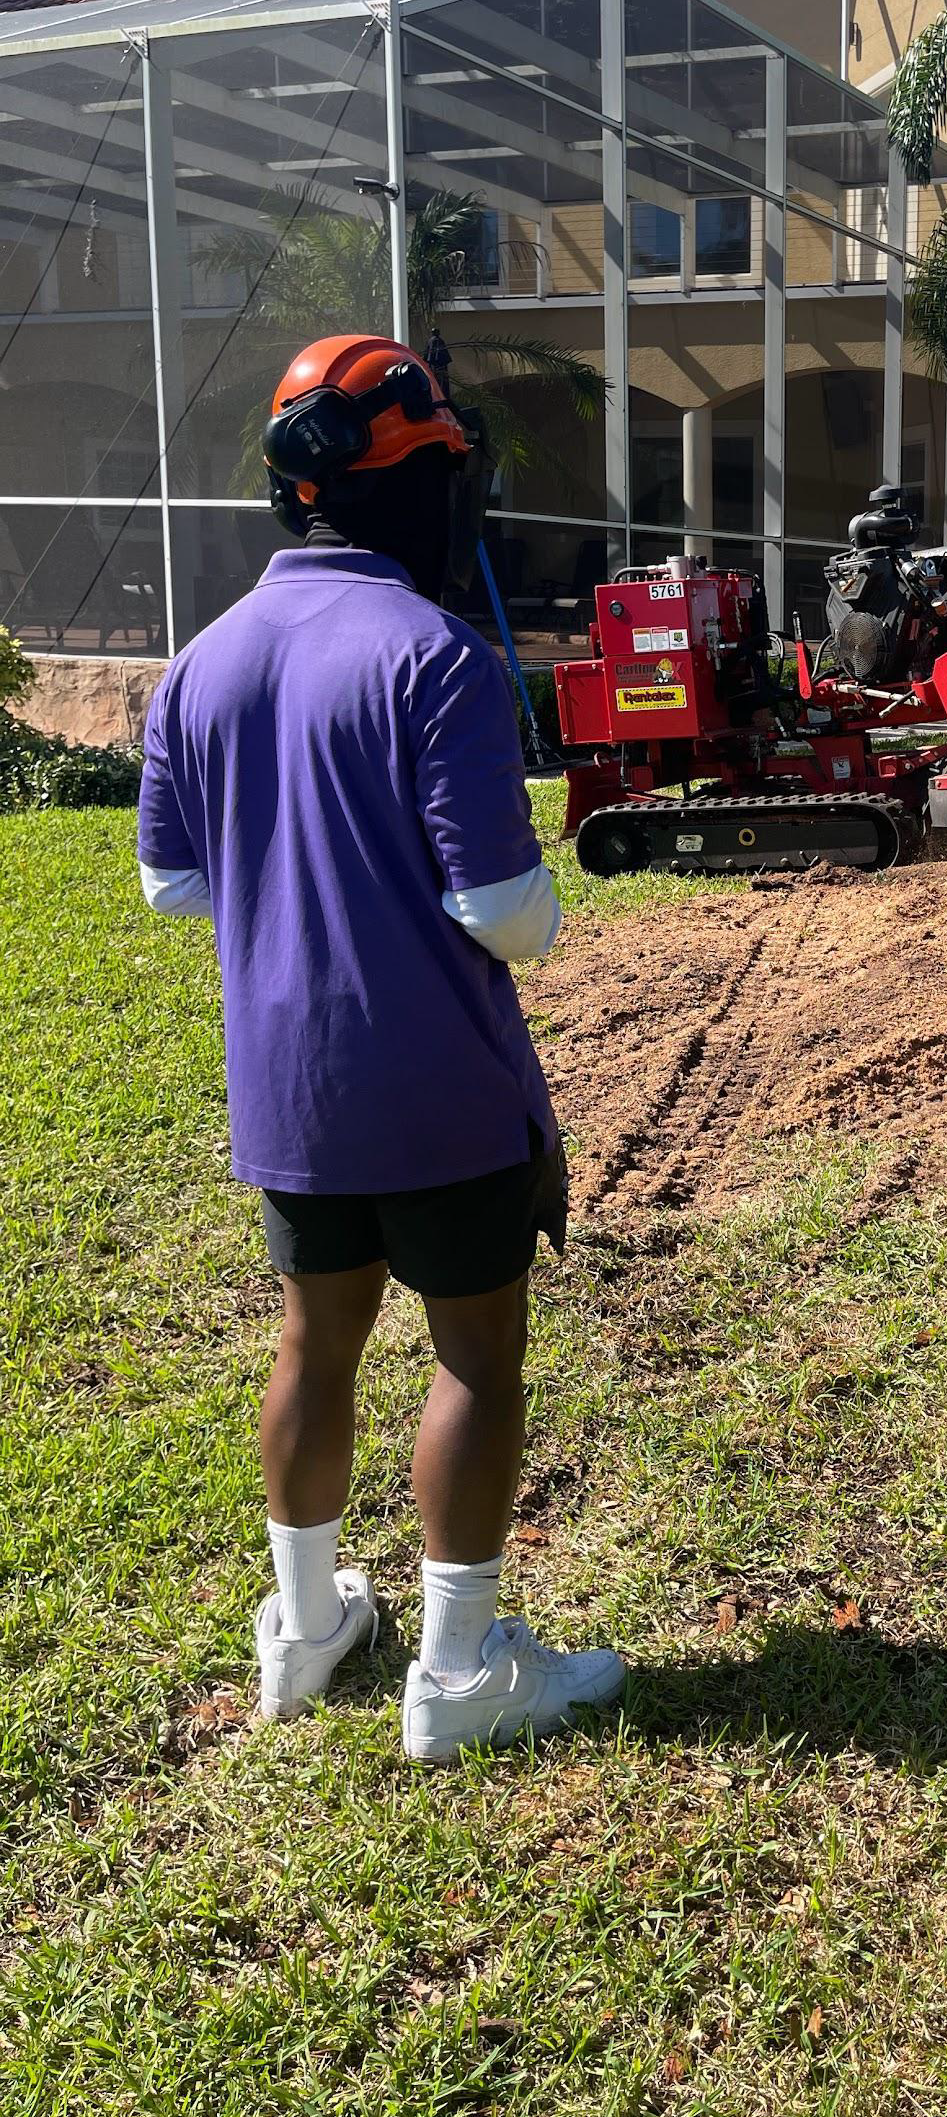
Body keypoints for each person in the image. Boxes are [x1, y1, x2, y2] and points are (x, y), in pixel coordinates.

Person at [136, 334, 623, 1764]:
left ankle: (302, 1634)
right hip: (439, 1086)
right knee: (474, 1356)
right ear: (412, 492)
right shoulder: (439, 659)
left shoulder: (200, 664)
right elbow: (503, 914)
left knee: (315, 1338)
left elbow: (173, 882)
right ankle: (458, 1675)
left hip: (283, 1085)